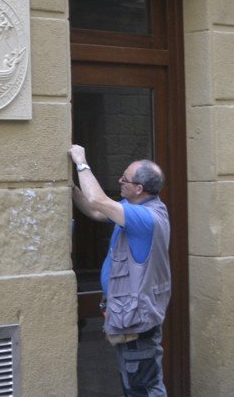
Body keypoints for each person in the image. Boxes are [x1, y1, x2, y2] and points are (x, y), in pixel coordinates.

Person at [69, 145, 171, 397]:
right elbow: (95, 210)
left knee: (144, 389)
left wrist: (81, 162)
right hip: (131, 318)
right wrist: (70, 187)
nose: (119, 180)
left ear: (139, 188)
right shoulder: (136, 206)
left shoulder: (144, 218)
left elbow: (98, 200)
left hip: (137, 324)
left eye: (125, 178)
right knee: (136, 385)